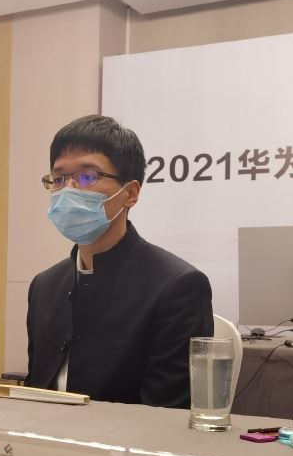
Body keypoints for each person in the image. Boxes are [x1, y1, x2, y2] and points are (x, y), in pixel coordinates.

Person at [26, 115, 213, 408]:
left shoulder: (178, 286)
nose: (69, 190)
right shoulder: (44, 286)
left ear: (130, 193)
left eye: (87, 176)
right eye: (59, 179)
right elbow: (34, 390)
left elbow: (167, 413)